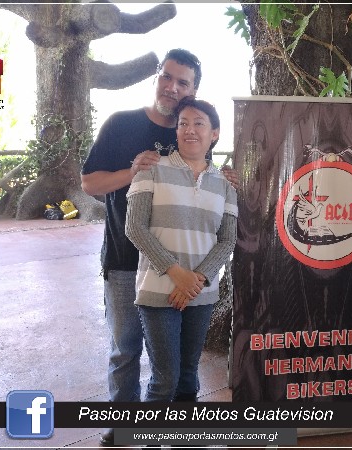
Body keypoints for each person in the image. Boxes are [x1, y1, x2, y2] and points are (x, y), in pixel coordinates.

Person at [81, 48, 237, 447]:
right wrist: (133, 171)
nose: (172, 87)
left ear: (193, 91)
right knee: (126, 348)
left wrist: (228, 179)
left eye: (182, 82)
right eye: (167, 77)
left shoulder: (190, 130)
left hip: (186, 271)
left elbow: (204, 188)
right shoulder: (122, 123)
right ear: (157, 77)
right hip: (125, 257)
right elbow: (90, 183)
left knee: (178, 367)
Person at [125, 96, 237, 404]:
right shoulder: (151, 169)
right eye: (183, 123)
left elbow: (227, 239)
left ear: (214, 133)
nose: (190, 130)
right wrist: (178, 274)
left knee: (188, 376)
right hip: (158, 290)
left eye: (199, 123)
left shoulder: (225, 183)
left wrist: (196, 280)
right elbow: (134, 228)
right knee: (165, 380)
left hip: (201, 294)